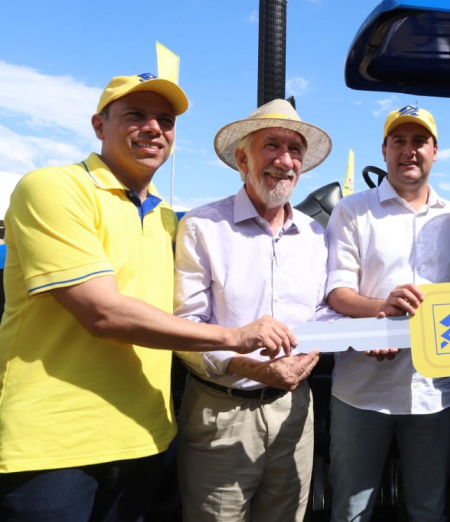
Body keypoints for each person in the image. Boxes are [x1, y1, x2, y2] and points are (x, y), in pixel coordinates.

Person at [0, 73, 295, 521]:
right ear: (99, 125)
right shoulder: (53, 188)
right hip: (55, 445)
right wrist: (236, 337)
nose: (154, 128)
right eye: (135, 115)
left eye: (166, 119)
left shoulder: (170, 221)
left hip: (149, 436)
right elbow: (103, 312)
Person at [174, 99, 333, 521]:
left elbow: (320, 313)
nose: (284, 161)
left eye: (294, 149)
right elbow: (183, 329)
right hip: (220, 414)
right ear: (242, 158)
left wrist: (332, 345)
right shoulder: (202, 226)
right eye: (272, 146)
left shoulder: (315, 235)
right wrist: (251, 367)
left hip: (294, 411)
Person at [324, 105, 450, 521]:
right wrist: (381, 310)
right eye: (399, 141)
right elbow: (337, 293)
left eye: (419, 141)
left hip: (433, 394)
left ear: (436, 151)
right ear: (384, 150)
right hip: (360, 391)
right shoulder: (352, 210)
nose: (410, 151)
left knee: (429, 509)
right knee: (351, 509)